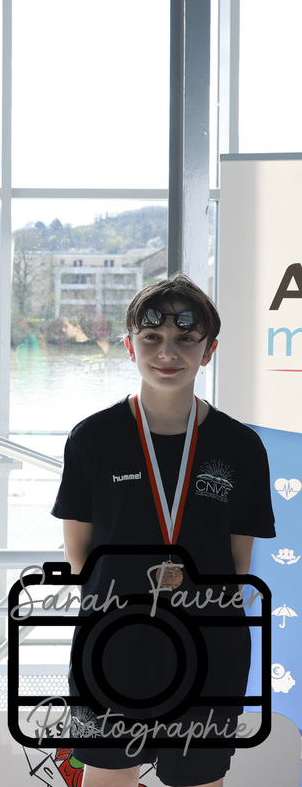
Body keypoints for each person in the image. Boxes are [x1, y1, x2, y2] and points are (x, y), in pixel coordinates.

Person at [52, 274, 275, 787]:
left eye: (186, 338)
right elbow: (80, 557)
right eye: (152, 337)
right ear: (130, 346)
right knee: (108, 779)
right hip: (113, 644)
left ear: (209, 350)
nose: (168, 352)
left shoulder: (240, 446)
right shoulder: (93, 439)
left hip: (209, 647)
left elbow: (238, 564)